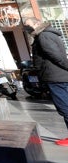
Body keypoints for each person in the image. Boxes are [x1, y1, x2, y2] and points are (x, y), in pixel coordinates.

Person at [23, 17, 68, 146]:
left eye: (28, 24)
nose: (26, 28)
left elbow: (56, 56)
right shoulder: (46, 35)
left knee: (64, 107)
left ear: (37, 23)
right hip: (58, 75)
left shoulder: (43, 36)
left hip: (55, 76)